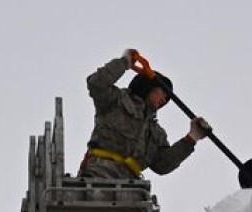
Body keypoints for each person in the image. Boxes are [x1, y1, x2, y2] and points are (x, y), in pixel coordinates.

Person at [78, 48, 211, 179]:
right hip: (99, 175)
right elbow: (97, 84)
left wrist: (192, 137)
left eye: (168, 97)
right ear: (149, 85)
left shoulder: (156, 133)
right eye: (163, 92)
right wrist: (125, 62)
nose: (165, 99)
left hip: (131, 189)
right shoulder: (116, 100)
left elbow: (162, 165)